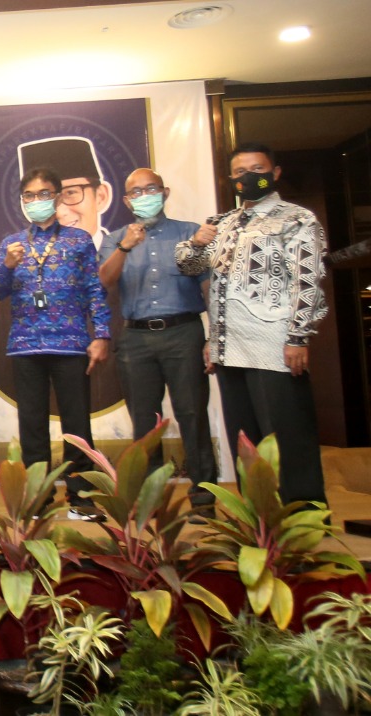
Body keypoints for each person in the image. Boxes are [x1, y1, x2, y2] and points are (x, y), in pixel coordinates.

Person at [175, 142, 328, 506]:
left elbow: (307, 281)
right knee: (246, 442)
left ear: (275, 173)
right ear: (231, 179)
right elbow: (189, 266)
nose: (249, 177)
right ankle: (256, 521)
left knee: (288, 437)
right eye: (240, 172)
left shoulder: (297, 219)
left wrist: (298, 337)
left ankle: (304, 519)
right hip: (230, 348)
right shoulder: (222, 222)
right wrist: (196, 242)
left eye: (258, 170)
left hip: (275, 346)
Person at [0, 169, 110, 521]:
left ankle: (81, 497)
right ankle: (38, 498)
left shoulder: (78, 240)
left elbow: (94, 289)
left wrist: (101, 334)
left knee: (77, 425)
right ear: (22, 201)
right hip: (26, 346)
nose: (36, 201)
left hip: (71, 344)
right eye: (29, 195)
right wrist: (7, 266)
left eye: (43, 194)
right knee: (32, 426)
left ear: (57, 198)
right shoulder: (12, 243)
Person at [99, 169, 216, 509]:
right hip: (136, 338)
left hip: (184, 333)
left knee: (193, 415)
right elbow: (104, 280)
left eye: (150, 189)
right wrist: (125, 247)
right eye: (136, 192)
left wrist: (215, 337)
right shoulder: (116, 238)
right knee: (144, 423)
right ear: (126, 201)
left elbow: (208, 287)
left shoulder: (190, 233)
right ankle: (150, 500)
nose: (144, 196)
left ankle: (204, 498)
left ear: (164, 193)